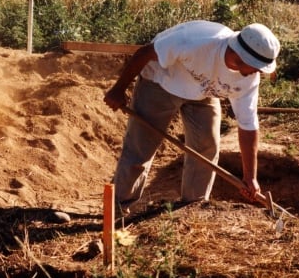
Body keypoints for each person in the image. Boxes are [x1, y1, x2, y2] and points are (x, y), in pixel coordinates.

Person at [103, 20, 280, 215]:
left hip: (204, 92)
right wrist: (118, 89)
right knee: (140, 147)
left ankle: (192, 208)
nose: (258, 72)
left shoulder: (248, 79)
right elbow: (145, 53)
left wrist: (250, 177)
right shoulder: (195, 42)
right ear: (239, 57)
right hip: (161, 81)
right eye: (256, 67)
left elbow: (248, 125)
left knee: (207, 147)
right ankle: (118, 209)